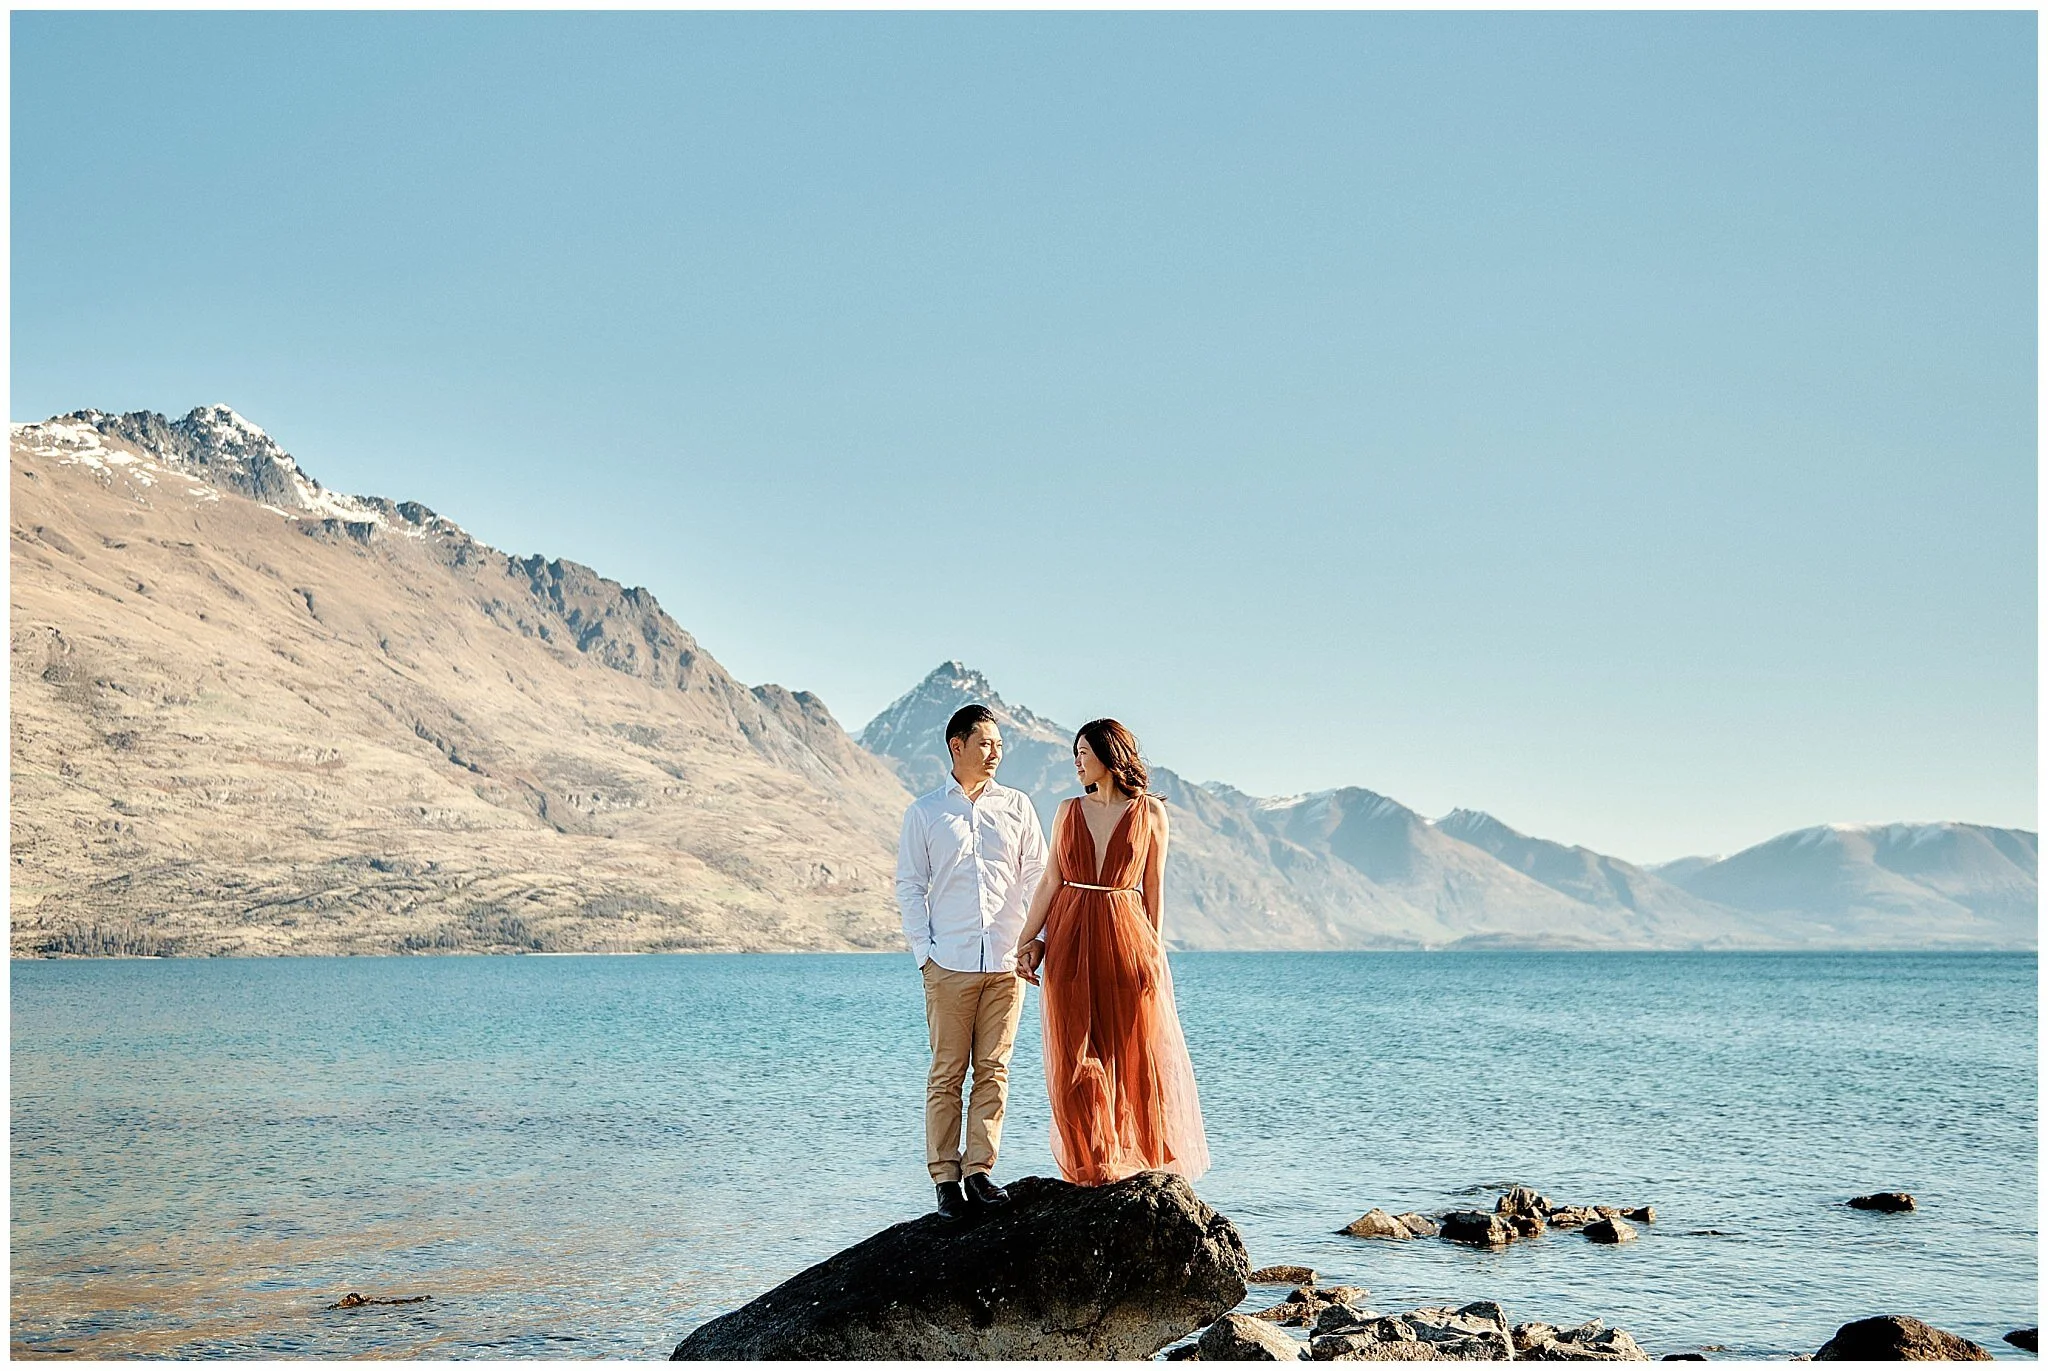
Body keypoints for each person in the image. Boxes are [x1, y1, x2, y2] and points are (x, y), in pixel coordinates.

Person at [1016, 718, 1210, 1186]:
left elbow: (1154, 888)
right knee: (1072, 1057)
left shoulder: (1151, 814)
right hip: (1070, 936)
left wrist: (1154, 954)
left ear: (1108, 755)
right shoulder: (1066, 811)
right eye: (1075, 753)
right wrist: (1026, 940)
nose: (1077, 761)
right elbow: (1050, 880)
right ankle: (1092, 1164)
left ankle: (1135, 1160)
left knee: (1130, 1054)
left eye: (1083, 752)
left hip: (1128, 938)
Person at [895, 704, 1049, 1219]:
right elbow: (910, 885)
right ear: (956, 746)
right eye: (985, 744)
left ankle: (979, 1170)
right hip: (949, 962)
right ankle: (945, 1178)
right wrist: (925, 953)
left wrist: (1036, 939)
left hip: (1008, 961)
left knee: (995, 1070)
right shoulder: (925, 813)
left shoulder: (1018, 807)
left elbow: (1037, 878)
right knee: (947, 1073)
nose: (996, 753)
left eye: (1000, 745)